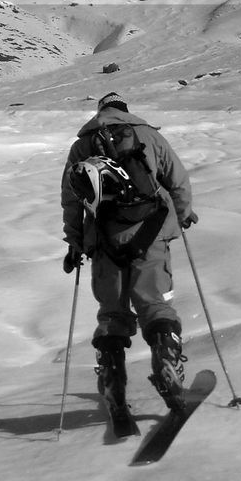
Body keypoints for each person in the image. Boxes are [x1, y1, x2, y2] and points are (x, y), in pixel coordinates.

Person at [60, 92, 197, 412]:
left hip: (104, 240)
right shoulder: (148, 135)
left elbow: (71, 197)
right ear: (126, 111)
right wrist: (182, 214)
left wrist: (75, 239)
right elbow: (178, 180)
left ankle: (111, 372)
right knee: (156, 304)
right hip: (150, 234)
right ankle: (166, 357)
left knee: (112, 312)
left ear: (99, 112)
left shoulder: (82, 145)